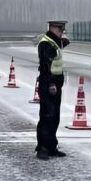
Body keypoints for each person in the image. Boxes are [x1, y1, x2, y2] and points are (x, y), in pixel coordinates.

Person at [35, 20, 70, 160]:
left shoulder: (54, 41)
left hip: (56, 82)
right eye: (60, 28)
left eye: (63, 28)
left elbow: (63, 44)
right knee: (47, 116)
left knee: (55, 117)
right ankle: (42, 148)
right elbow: (45, 66)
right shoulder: (46, 43)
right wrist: (50, 84)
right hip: (49, 82)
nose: (62, 31)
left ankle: (51, 147)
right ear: (51, 28)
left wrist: (64, 38)